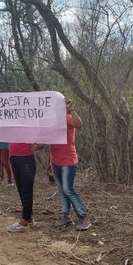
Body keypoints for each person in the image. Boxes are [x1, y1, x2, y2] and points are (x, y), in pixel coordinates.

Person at [50, 98, 91, 231]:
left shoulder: (67, 118)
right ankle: (66, 217)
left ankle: (83, 217)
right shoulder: (50, 123)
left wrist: (71, 109)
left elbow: (79, 125)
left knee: (68, 189)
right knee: (62, 190)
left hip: (68, 161)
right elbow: (44, 145)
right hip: (55, 161)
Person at [6, 143, 38, 232]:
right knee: (21, 189)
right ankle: (29, 217)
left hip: (26, 157)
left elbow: (40, 139)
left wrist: (40, 144)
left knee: (26, 189)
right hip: (13, 157)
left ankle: (24, 222)